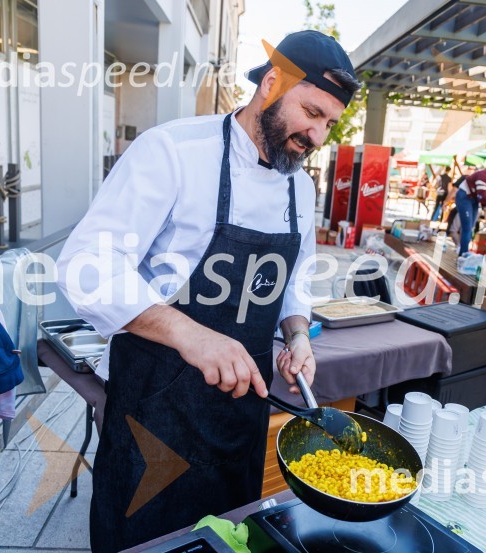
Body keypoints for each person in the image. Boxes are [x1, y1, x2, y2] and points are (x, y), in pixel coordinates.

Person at [57, 30, 360, 552]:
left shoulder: (300, 185)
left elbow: (295, 280)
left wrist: (297, 335)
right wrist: (192, 335)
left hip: (240, 417)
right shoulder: (173, 152)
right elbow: (87, 266)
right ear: (271, 83)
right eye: (311, 112)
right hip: (156, 411)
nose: (317, 136)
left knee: (231, 538)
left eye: (328, 123)